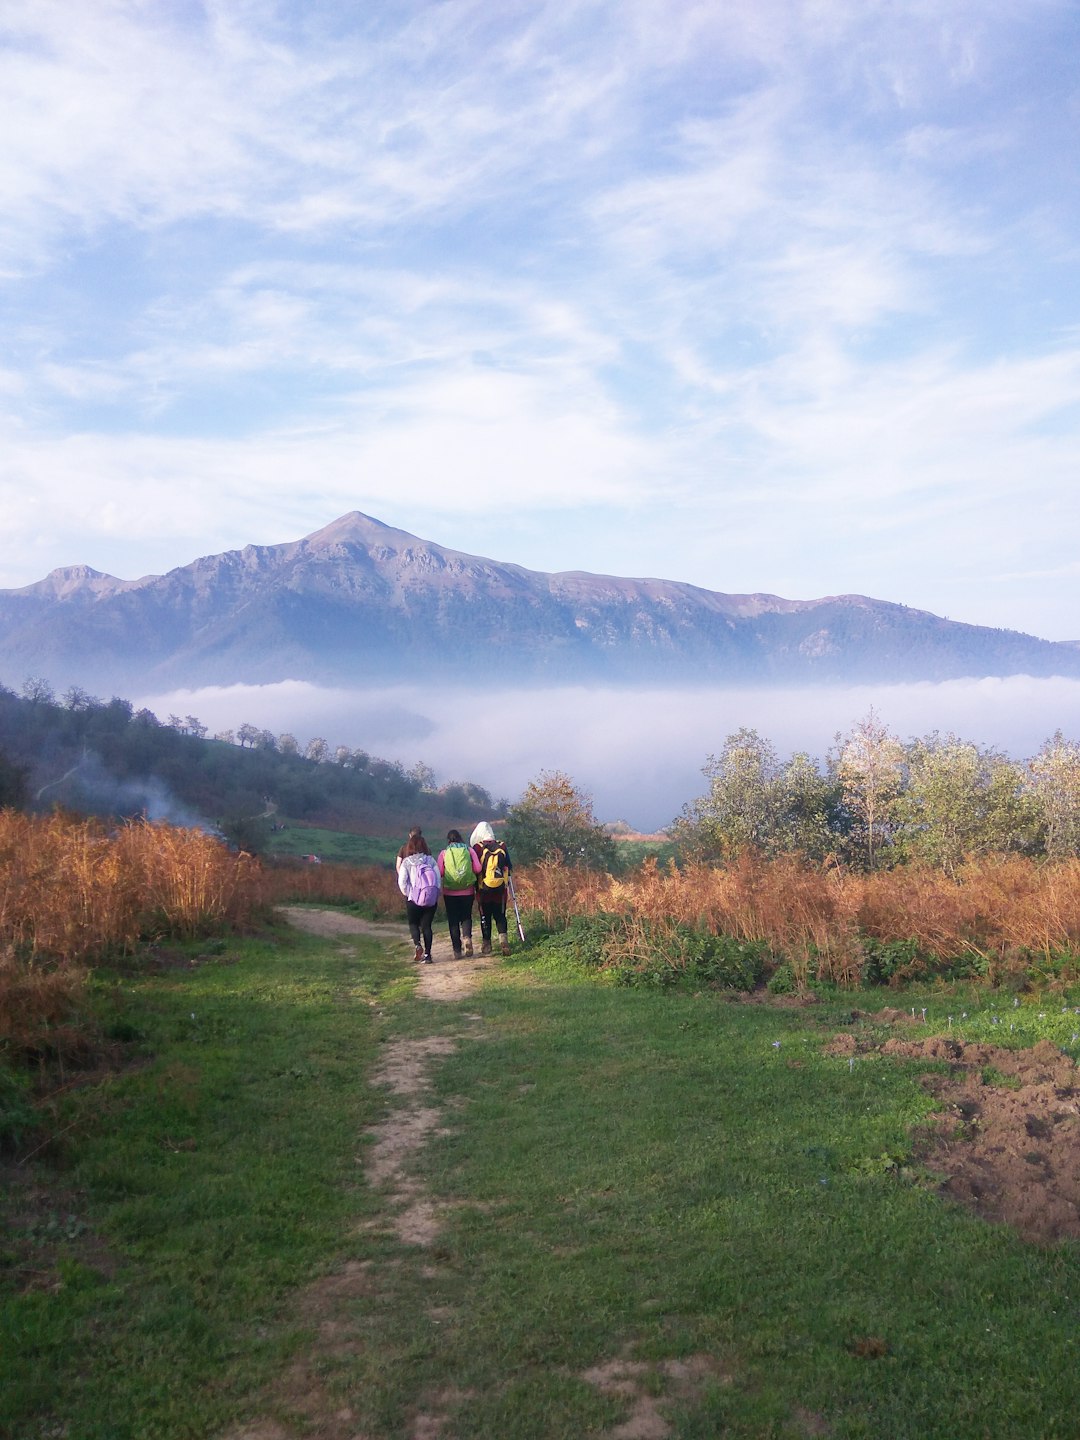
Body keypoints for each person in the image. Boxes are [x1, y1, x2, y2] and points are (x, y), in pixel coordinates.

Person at [397, 830, 441, 963]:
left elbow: (402, 881)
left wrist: (408, 894)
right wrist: (435, 894)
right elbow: (438, 880)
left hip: (413, 899)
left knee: (413, 924)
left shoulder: (407, 862)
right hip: (430, 899)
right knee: (427, 926)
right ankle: (428, 955)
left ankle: (417, 945)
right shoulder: (431, 860)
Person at [470, 821, 512, 956]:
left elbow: (475, 869)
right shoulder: (502, 845)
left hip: (483, 890)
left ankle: (487, 944)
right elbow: (509, 866)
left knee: (485, 916)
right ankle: (504, 941)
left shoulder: (477, 848)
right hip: (500, 890)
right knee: (500, 915)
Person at [438, 829, 481, 958]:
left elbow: (440, 872)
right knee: (466, 916)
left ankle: (457, 950)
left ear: (448, 840)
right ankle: (467, 938)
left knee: (453, 920)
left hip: (450, 892)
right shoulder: (469, 851)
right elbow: (478, 868)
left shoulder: (444, 853)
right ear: (460, 838)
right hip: (467, 891)